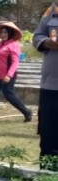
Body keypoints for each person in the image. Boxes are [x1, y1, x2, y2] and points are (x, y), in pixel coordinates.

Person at [0, 22, 32, 124]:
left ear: (10, 33)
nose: (2, 34)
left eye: (5, 32)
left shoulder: (13, 46)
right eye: (1, 32)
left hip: (6, 76)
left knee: (9, 95)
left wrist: (9, 75)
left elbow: (15, 62)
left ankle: (27, 112)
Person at [33, 9, 58, 168]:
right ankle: (46, 179)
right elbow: (37, 37)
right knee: (48, 134)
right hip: (51, 86)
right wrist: (47, 42)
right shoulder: (53, 12)